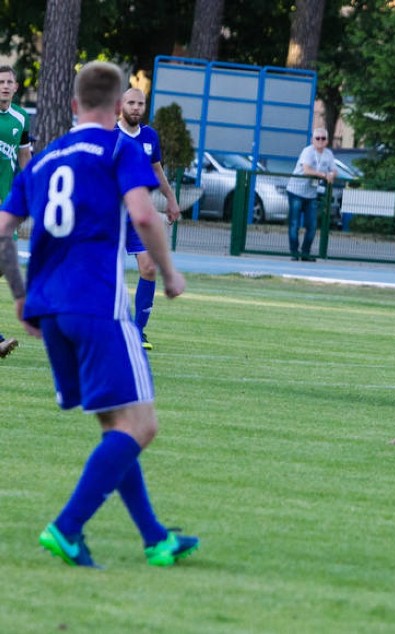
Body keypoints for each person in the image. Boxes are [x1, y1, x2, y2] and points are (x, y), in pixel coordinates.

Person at [0, 61, 198, 568]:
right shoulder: (120, 147)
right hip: (98, 307)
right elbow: (142, 214)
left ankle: (155, 538)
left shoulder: (42, 157)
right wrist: (170, 274)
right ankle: (67, 527)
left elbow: (2, 230)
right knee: (143, 426)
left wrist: (20, 295)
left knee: (118, 424)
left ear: (72, 105)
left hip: (49, 310)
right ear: (117, 108)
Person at [117, 87, 181, 351]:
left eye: (140, 103)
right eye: (130, 102)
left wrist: (171, 199)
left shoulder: (149, 136)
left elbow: (156, 170)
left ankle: (137, 332)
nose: (135, 107)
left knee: (149, 268)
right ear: (121, 104)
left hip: (136, 214)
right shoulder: (107, 134)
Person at [0, 65, 32, 358]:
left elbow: (24, 156)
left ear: (16, 87)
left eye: (9, 82)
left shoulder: (21, 117)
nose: (5, 86)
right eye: (1, 82)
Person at [286, 128, 336, 261]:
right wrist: (325, 175)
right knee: (294, 223)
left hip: (311, 194)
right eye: (317, 138)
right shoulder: (307, 151)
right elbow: (307, 169)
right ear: (312, 140)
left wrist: (332, 174)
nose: (320, 141)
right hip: (296, 191)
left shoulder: (328, 154)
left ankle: (306, 252)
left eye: (323, 138)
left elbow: (334, 170)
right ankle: (294, 252)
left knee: (312, 225)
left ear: (327, 140)